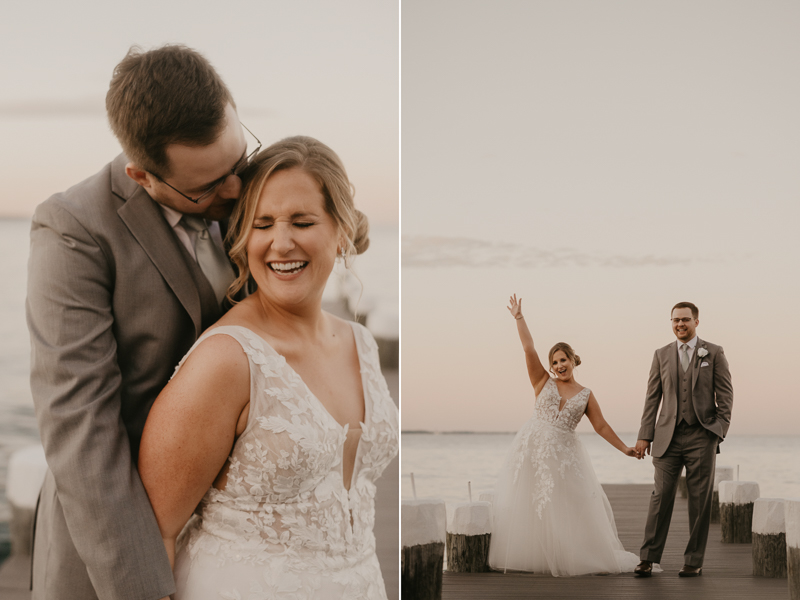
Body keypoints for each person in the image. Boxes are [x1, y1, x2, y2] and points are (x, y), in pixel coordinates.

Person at [26, 44, 256, 600]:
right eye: (205, 187)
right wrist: (144, 589)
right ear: (143, 176)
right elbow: (82, 432)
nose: (235, 191)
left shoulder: (248, 191)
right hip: (121, 548)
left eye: (238, 162)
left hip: (240, 542)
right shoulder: (73, 230)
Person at [138, 136, 399, 599]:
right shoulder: (227, 359)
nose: (281, 242)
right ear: (242, 237)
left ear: (339, 230)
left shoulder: (360, 343)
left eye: (302, 221)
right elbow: (152, 534)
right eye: (263, 224)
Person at [487, 294, 641, 576]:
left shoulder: (585, 395)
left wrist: (625, 449)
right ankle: (536, 556)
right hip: (531, 448)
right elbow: (528, 347)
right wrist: (519, 318)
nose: (559, 365)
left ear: (573, 360)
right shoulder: (541, 381)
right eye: (554, 362)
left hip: (564, 455)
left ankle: (570, 554)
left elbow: (602, 426)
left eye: (563, 360)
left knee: (564, 505)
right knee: (530, 502)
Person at [634, 302, 733, 578]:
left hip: (703, 436)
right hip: (667, 437)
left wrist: (719, 429)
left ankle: (693, 560)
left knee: (699, 501)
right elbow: (652, 397)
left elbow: (725, 394)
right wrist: (645, 435)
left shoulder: (713, 352)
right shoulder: (661, 354)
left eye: (685, 320)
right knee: (660, 496)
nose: (680, 324)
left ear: (696, 322)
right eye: (675, 320)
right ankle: (648, 558)